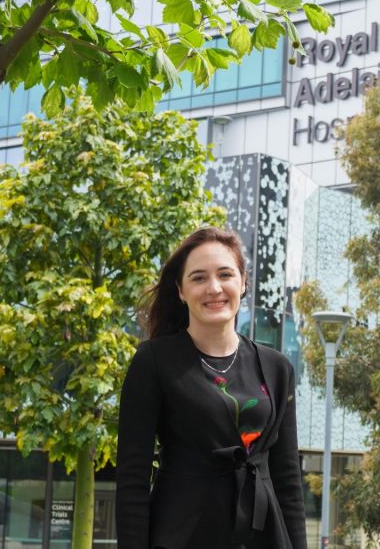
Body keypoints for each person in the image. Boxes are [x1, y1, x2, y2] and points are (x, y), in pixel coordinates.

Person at [115, 227, 307, 549]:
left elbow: (287, 481)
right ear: (180, 290)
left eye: (225, 274)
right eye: (199, 278)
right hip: (183, 534)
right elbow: (132, 481)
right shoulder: (154, 362)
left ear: (243, 282)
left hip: (263, 537)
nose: (214, 288)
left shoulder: (277, 368)